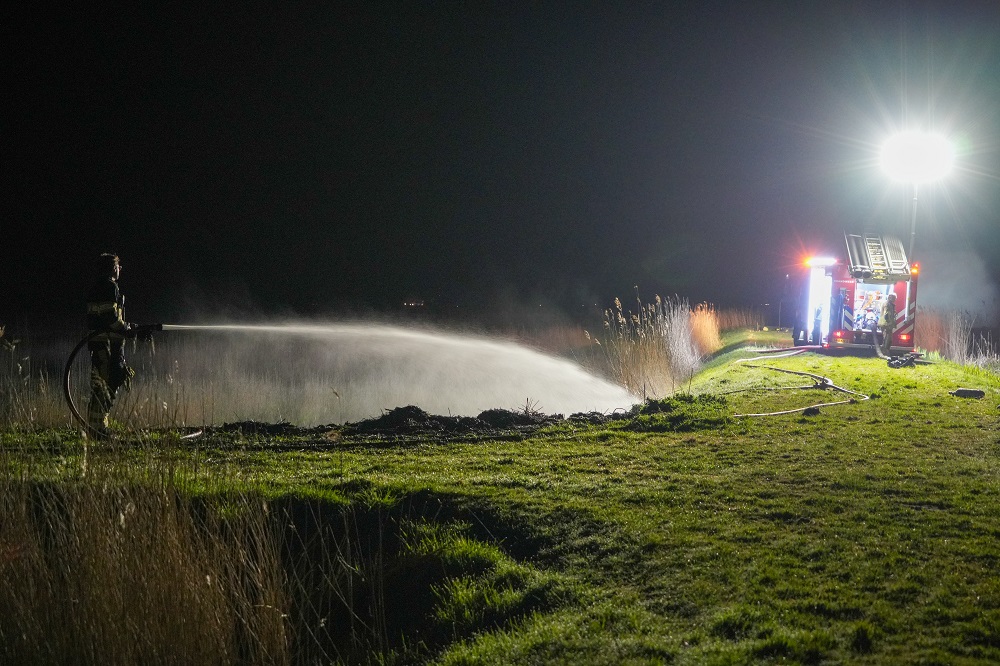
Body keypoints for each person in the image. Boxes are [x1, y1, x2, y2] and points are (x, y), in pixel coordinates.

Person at [86, 253, 135, 438]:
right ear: (112, 268)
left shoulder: (99, 286)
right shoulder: (109, 286)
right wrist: (125, 329)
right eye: (118, 266)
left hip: (102, 343)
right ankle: (97, 429)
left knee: (105, 382)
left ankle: (96, 426)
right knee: (107, 382)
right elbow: (109, 316)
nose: (120, 269)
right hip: (106, 343)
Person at [879, 292, 897, 356]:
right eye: (894, 298)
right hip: (886, 324)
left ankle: (885, 351)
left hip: (885, 324)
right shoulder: (888, 304)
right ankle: (884, 352)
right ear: (890, 298)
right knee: (887, 339)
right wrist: (889, 323)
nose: (895, 299)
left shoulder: (888, 304)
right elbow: (887, 314)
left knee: (887, 338)